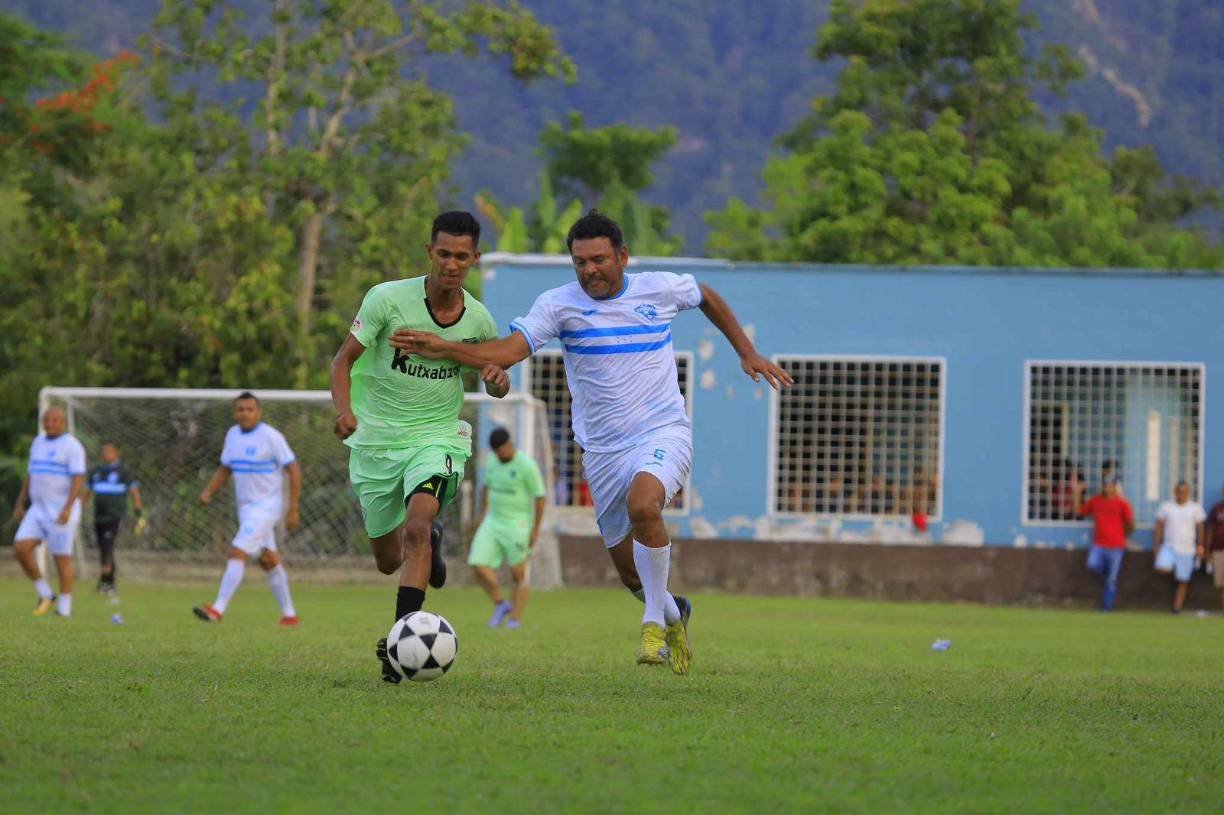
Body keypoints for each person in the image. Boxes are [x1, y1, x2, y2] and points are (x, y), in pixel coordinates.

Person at [391, 209, 793, 675]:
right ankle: (672, 611)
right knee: (630, 574)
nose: (589, 271)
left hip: (662, 432)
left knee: (645, 505)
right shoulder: (559, 305)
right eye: (580, 262)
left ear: (623, 256)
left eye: (599, 260)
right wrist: (447, 349)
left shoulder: (657, 289)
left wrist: (747, 351)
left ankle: (652, 627)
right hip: (602, 452)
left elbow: (705, 294)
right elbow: (509, 351)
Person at [329, 211, 506, 683]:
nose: (452, 264)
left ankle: (398, 649)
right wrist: (345, 412)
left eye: (462, 257)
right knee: (389, 560)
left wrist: (497, 380)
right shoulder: (387, 299)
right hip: (377, 441)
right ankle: (432, 541)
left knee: (417, 526)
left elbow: (495, 378)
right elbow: (342, 361)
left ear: (475, 259)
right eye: (444, 254)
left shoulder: (479, 320)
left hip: (436, 436)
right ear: (430, 252)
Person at [193, 392, 301, 626]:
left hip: (267, 507)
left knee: (237, 551)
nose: (245, 413)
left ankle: (217, 610)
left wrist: (293, 508)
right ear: (235, 413)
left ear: (259, 412)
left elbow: (293, 470)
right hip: (246, 509)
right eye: (241, 409)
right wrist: (209, 491)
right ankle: (290, 615)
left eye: (250, 409)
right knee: (268, 559)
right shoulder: (232, 435)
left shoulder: (271, 437)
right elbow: (225, 468)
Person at [10, 406, 86, 617]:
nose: (50, 424)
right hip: (37, 509)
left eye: (55, 420)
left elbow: (78, 478)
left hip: (60, 511)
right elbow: (31, 474)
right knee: (21, 549)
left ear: (63, 422)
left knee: (61, 559)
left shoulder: (72, 446)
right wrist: (20, 503)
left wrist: (68, 508)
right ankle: (46, 593)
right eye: (47, 420)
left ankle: (65, 609)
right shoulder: (38, 442)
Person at [469, 427, 546, 629]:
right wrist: (483, 515)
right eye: (495, 452)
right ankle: (501, 604)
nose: (498, 455)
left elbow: (540, 498)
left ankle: (514, 619)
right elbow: (485, 488)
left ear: (510, 445)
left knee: (518, 574)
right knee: (477, 564)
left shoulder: (527, 465)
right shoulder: (492, 461)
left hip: (518, 524)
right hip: (492, 522)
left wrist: (535, 529)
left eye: (501, 450)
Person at [84, 441, 144, 597]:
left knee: (107, 547)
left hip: (115, 517)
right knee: (103, 549)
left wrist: (139, 515)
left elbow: (135, 494)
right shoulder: (96, 471)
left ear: (117, 453)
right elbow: (86, 495)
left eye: (109, 451)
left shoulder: (124, 472)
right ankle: (108, 583)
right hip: (98, 516)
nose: (106, 454)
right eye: (103, 451)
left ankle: (106, 583)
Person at [1074, 475, 1134, 611]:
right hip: (1099, 545)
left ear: (1115, 487)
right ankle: (1107, 574)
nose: (1106, 487)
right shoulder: (1096, 501)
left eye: (1109, 485)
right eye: (1105, 484)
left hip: (1116, 547)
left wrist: (1123, 535)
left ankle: (1106, 607)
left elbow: (1130, 523)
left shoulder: (1123, 503)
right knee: (1092, 565)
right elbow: (1079, 511)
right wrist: (1077, 493)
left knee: (1112, 580)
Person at [1154, 481, 1206, 614]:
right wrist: (1157, 546)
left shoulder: (1195, 508)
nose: (1181, 494)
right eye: (1179, 492)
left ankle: (1177, 608)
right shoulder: (1166, 507)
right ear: (1175, 492)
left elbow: (1200, 528)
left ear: (1188, 493)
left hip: (1187, 549)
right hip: (1169, 546)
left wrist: (1200, 546)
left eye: (1184, 492)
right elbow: (1159, 527)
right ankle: (1175, 572)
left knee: (1183, 580)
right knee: (1161, 568)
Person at [1206, 486, 1224, 610]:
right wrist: (1207, 550)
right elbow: (1210, 529)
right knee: (1221, 583)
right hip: (1218, 550)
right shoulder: (1217, 508)